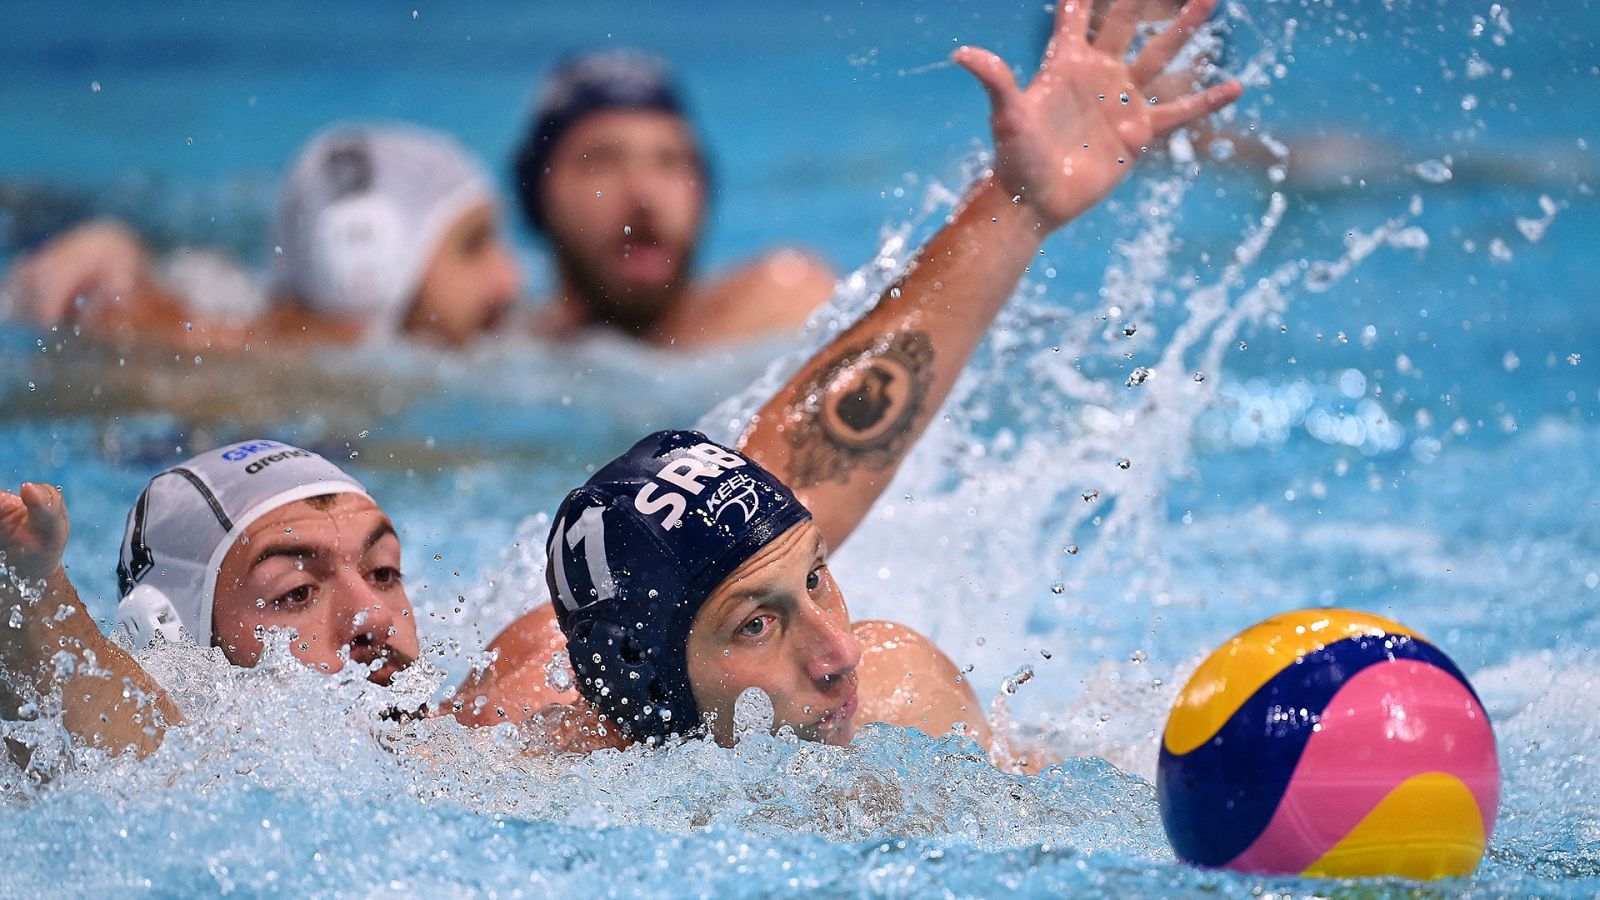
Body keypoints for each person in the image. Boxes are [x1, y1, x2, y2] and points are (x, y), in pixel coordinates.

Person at [1, 0, 1239, 764]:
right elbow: (124, 748)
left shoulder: (539, 678)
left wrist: (1015, 208)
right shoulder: (367, 776)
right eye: (293, 592)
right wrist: (30, 601)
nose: (376, 620)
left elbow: (787, 477)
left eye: (383, 567)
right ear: (177, 644)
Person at [0, 123, 521, 350]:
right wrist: (106, 249)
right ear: (366, 256)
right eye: (473, 244)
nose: (510, 279)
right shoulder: (241, 358)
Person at [512, 49, 837, 348]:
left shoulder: (787, 308)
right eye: (603, 162)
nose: (644, 195)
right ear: (538, 193)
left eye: (670, 161)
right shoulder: (502, 351)